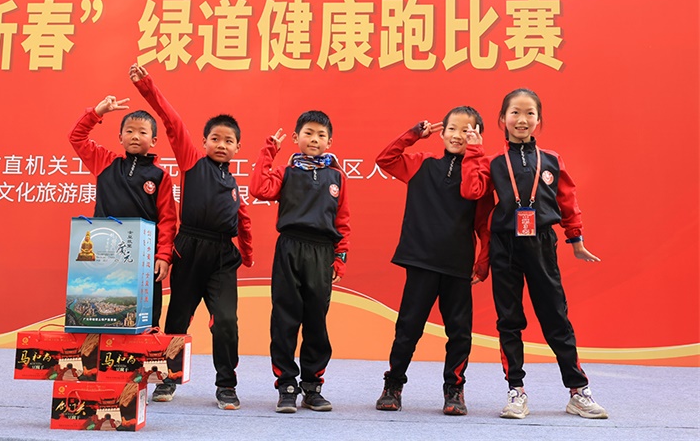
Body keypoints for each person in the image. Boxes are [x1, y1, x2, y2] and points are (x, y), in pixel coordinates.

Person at [460, 88, 608, 419]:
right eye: (515, 112)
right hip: (504, 246)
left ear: (539, 120)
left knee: (556, 317)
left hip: (541, 244)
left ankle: (578, 391)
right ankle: (516, 391)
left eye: (530, 113)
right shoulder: (492, 162)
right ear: (502, 119)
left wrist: (576, 239)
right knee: (509, 320)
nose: (522, 119)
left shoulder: (552, 160)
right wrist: (474, 151)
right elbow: (472, 192)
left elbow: (567, 200)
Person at [129, 63, 254, 410]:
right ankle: (167, 378)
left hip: (222, 258)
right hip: (189, 249)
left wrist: (247, 255)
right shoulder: (191, 162)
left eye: (228, 141)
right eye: (215, 139)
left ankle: (226, 385)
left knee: (226, 321)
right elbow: (170, 120)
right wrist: (146, 85)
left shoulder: (234, 187)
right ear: (203, 142)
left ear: (237, 147)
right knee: (178, 319)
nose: (221, 144)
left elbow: (244, 223)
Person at [373, 107, 493, 415]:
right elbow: (385, 159)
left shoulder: (481, 173)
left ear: (478, 136)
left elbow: (484, 224)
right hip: (421, 261)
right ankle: (393, 385)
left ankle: (454, 390)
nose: (458, 135)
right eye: (452, 128)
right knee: (408, 328)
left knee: (459, 333)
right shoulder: (422, 163)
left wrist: (483, 261)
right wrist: (413, 134)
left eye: (467, 130)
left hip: (458, 266)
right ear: (442, 133)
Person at [249, 111, 351, 413]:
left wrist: (340, 259)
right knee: (285, 318)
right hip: (289, 248)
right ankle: (286, 386)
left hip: (322, 253)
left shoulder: (337, 177)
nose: (314, 139)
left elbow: (343, 221)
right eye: (308, 133)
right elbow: (258, 189)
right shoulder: (286, 171)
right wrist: (268, 151)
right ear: (296, 138)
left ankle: (312, 386)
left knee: (316, 320)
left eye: (321, 135)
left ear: (329, 141)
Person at [68, 93, 178, 332]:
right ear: (120, 137)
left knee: (147, 318)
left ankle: (146, 353)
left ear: (154, 140)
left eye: (142, 132)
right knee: (98, 313)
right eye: (129, 131)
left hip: (144, 256)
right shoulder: (105, 162)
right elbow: (76, 137)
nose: (135, 136)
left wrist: (163, 255)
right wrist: (97, 112)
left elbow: (168, 220)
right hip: (103, 254)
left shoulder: (160, 176)